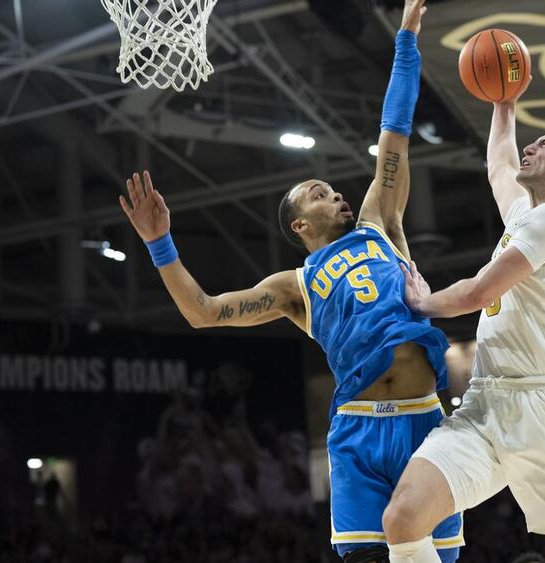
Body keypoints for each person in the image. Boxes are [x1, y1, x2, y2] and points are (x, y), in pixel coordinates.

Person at [118, 2, 463, 561]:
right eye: (320, 192)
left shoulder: (382, 225)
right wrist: (160, 243)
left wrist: (405, 40)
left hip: (425, 418)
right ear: (301, 224)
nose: (338, 194)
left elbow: (394, 133)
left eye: (334, 188)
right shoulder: (294, 286)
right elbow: (203, 311)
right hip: (356, 431)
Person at [381, 88, 545, 563]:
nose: (531, 147)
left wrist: (421, 303)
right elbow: (499, 168)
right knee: (402, 519)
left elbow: (480, 292)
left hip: (544, 408)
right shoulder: (528, 215)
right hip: (486, 401)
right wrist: (504, 105)